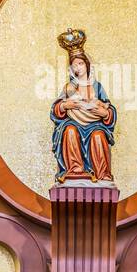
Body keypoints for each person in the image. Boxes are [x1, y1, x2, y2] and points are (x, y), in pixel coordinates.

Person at [51, 29, 117, 183]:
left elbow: (109, 108)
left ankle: (103, 176)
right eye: (74, 65)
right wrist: (65, 105)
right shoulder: (69, 87)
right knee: (69, 130)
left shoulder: (96, 86)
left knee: (99, 136)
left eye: (81, 63)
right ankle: (75, 171)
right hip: (74, 122)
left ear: (87, 65)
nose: (78, 68)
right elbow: (56, 109)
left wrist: (104, 113)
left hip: (94, 124)